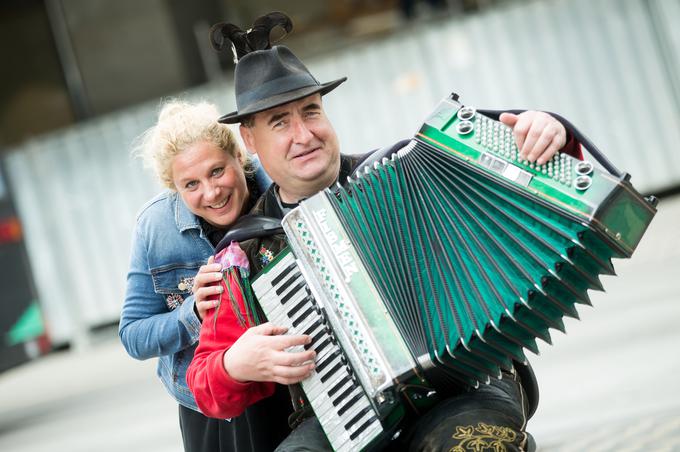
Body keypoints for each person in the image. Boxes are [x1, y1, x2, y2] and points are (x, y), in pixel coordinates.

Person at [187, 13, 583, 451]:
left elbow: (526, 194)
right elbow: (206, 384)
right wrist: (235, 364)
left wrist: (549, 137)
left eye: (311, 111)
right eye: (279, 122)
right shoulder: (246, 251)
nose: (304, 134)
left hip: (469, 384)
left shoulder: (408, 173)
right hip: (346, 420)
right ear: (249, 140)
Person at [118, 100, 293, 452]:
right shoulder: (156, 228)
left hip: (294, 380)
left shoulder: (282, 182)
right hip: (210, 406)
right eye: (191, 184)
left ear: (238, 157)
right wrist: (193, 313)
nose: (211, 193)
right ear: (174, 188)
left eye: (217, 171)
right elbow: (133, 335)